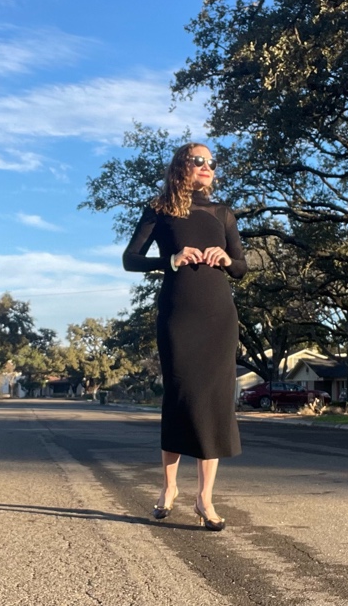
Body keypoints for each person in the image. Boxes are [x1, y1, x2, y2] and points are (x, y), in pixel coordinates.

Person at [122, 142, 247, 531]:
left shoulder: (222, 212)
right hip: (179, 315)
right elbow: (130, 259)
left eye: (211, 162)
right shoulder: (159, 210)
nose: (207, 167)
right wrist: (171, 260)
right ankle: (170, 487)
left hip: (218, 316)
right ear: (181, 167)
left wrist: (227, 259)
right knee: (179, 396)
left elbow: (241, 266)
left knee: (213, 401)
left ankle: (204, 498)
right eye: (199, 160)